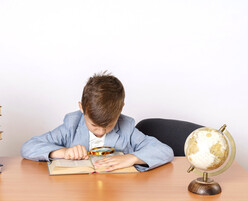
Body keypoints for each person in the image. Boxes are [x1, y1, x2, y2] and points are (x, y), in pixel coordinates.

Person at [21, 72, 174, 172]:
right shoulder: (72, 125)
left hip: (117, 193)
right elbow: (28, 147)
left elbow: (165, 151)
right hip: (80, 194)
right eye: (94, 125)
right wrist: (63, 152)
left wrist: (132, 158)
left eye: (108, 126)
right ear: (82, 108)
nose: (100, 132)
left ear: (120, 110)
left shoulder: (126, 127)